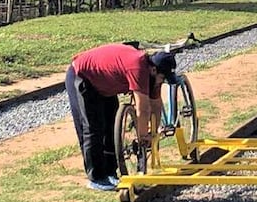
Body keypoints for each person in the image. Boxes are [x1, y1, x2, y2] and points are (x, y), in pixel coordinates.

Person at [65, 43, 179, 192]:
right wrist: (143, 135)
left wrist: (154, 133)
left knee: (111, 125)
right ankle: (96, 178)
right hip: (81, 75)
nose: (162, 82)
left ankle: (111, 172)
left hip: (104, 83)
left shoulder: (153, 73)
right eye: (162, 78)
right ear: (153, 69)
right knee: (93, 128)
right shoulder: (138, 68)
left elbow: (156, 105)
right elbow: (143, 109)